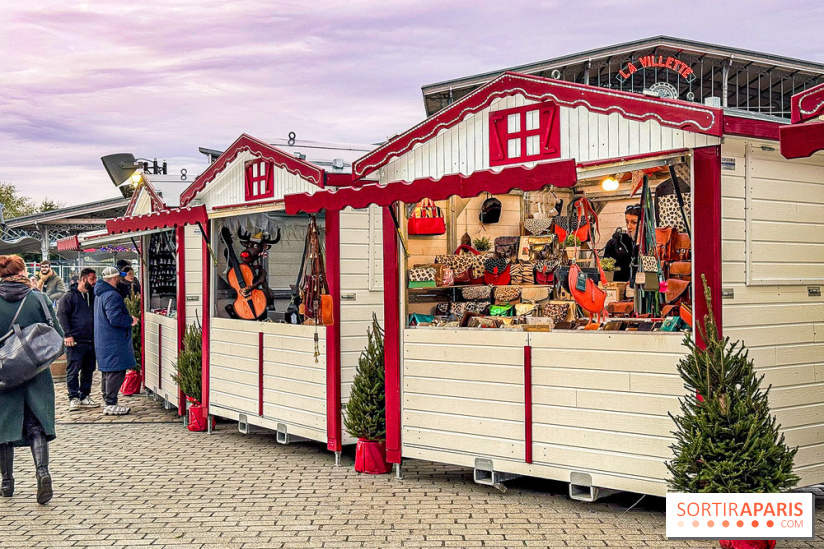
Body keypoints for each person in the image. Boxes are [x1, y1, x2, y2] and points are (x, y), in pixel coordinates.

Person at [0, 255, 64, 505]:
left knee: (4, 427)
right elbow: (57, 335)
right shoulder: (38, 297)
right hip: (36, 372)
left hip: (3, 373)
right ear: (22, 272)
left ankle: (7, 483)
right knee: (36, 424)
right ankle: (42, 472)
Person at [94, 267, 138, 416]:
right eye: (119, 277)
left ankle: (108, 401)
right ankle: (111, 403)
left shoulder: (100, 294)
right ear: (114, 278)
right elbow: (115, 318)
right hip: (114, 340)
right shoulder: (112, 295)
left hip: (104, 339)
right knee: (116, 371)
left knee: (108, 371)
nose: (120, 279)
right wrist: (130, 320)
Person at [57, 268, 99, 411]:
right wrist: (67, 334)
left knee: (89, 369)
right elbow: (62, 316)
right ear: (83, 279)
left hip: (91, 339)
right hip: (75, 340)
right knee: (73, 370)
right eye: (92, 279)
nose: (94, 282)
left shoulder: (94, 296)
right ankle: (73, 397)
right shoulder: (69, 297)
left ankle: (84, 395)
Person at [602, 204, 641, 283]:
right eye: (627, 222)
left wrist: (637, 243)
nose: (629, 226)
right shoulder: (615, 243)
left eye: (634, 223)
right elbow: (606, 270)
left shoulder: (647, 245)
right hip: (619, 286)